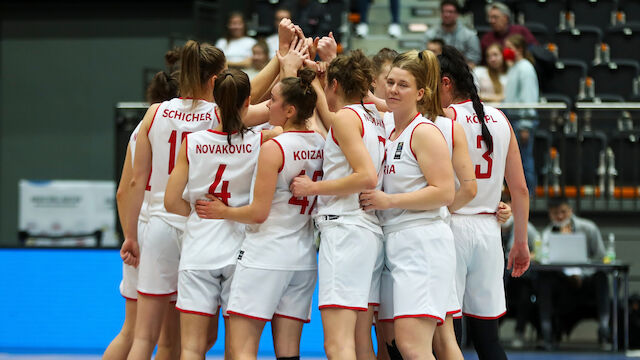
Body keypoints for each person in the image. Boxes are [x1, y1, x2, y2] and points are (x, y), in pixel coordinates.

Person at [193, 67, 324, 360]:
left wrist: (224, 210)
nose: (267, 106)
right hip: (302, 258)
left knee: (242, 349)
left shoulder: (274, 147)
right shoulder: (319, 142)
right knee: (289, 352)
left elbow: (258, 213)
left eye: (273, 101)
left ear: (289, 110)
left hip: (266, 254)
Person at [163, 68, 283, 360]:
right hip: (240, 249)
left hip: (198, 247)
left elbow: (170, 202)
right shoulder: (262, 140)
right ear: (248, 101)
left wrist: (195, 213)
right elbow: (284, 127)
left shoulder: (191, 142)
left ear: (214, 99)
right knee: (237, 348)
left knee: (191, 347)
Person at [360, 49, 458, 359]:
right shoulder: (389, 126)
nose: (392, 90)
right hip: (397, 243)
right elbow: (362, 101)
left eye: (402, 85)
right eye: (389, 82)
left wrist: (390, 200)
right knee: (399, 344)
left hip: (422, 243)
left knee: (413, 346)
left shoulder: (425, 132)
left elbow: (445, 192)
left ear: (420, 93)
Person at [291, 49, 386, 360]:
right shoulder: (375, 116)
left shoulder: (348, 117)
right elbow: (335, 121)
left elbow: (366, 176)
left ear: (335, 84)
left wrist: (313, 187)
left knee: (337, 344)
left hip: (345, 229)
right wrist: (320, 84)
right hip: (367, 231)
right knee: (360, 343)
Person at [438, 45, 530, 360]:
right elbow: (519, 189)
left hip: (451, 227)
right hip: (490, 232)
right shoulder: (501, 118)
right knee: (488, 339)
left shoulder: (443, 117)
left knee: (449, 336)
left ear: (445, 83)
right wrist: (520, 242)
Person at [104, 65, 180, 360]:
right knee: (169, 341)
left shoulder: (140, 129)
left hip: (141, 225)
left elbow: (124, 191)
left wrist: (129, 235)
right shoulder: (185, 126)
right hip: (166, 228)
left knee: (132, 332)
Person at [536, 197, 609, 350]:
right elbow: (544, 259)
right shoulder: (548, 233)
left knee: (601, 278)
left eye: (563, 212)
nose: (560, 217)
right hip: (562, 282)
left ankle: (604, 328)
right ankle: (547, 331)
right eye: (555, 213)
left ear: (571, 211)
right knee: (545, 280)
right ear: (550, 214)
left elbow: (601, 257)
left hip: (587, 279)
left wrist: (582, 274)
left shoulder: (588, 228)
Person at [500, 194, 539, 348]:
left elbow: (540, 249)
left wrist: (527, 254)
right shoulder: (487, 225)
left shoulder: (526, 228)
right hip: (494, 278)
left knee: (524, 289)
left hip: (516, 277)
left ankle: (519, 331)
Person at [503, 34, 539, 196]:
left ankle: (529, 194)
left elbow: (528, 97)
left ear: (519, 49)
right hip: (513, 118)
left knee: (524, 160)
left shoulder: (525, 68)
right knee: (516, 160)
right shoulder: (514, 67)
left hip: (521, 120)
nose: (506, 51)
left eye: (509, 47)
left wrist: (526, 124)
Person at [425, 0, 481, 66]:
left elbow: (474, 60)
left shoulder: (470, 36)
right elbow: (424, 57)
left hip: (462, 72)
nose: (446, 15)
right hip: (435, 71)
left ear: (457, 14)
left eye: (450, 12)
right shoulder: (430, 35)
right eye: (444, 11)